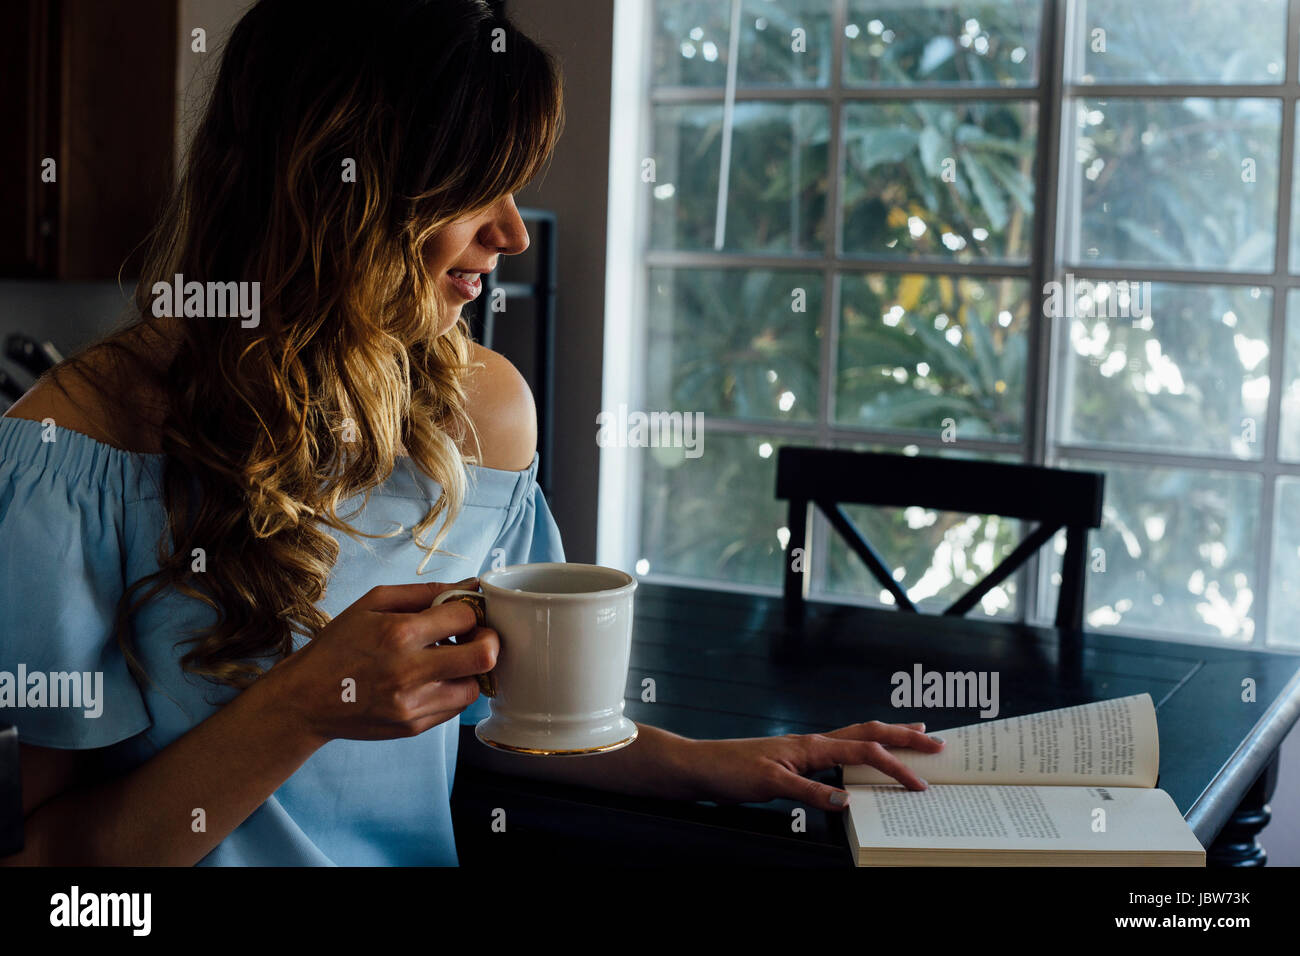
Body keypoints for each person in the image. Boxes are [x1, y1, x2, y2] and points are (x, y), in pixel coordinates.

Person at [0, 0, 942, 866]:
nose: (514, 234)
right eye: (475, 192)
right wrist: (305, 705)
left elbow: (510, 719)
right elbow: (51, 865)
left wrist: (708, 762)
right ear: (339, 187)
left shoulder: (484, 414)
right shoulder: (72, 449)